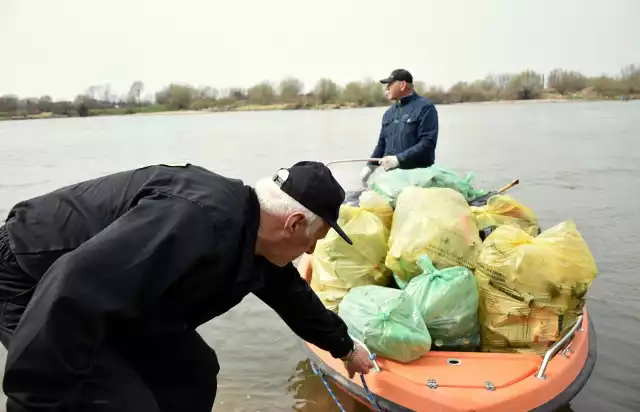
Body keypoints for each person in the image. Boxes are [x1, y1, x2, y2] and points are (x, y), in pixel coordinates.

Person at [0, 161, 374, 412]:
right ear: (292, 223)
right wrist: (32, 400)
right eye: (315, 237)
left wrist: (344, 348)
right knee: (120, 402)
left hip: (104, 293)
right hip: (30, 274)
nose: (310, 250)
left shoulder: (254, 233)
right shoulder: (195, 220)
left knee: (191, 372)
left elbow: (292, 297)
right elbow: (71, 288)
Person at [360, 68, 439, 186]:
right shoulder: (388, 113)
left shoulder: (425, 108)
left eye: (390, 84)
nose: (387, 88)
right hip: (393, 179)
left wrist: (399, 159)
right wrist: (369, 167)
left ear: (402, 85)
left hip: (419, 179)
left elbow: (428, 143)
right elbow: (381, 145)